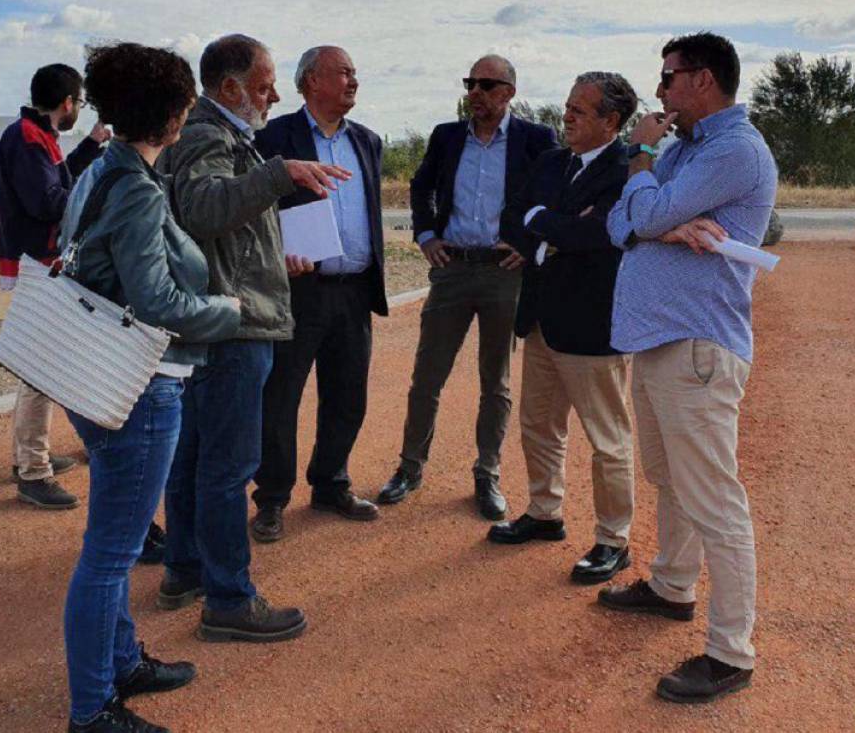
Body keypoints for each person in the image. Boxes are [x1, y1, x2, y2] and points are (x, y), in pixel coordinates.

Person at [56, 43, 242, 733]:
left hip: (97, 371)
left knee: (118, 538)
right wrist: (230, 311)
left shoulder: (105, 169)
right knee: (111, 552)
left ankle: (121, 661)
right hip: (140, 382)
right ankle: (92, 709)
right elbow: (157, 299)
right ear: (169, 114)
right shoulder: (134, 186)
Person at [600, 32, 777, 705]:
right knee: (668, 477)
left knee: (714, 498)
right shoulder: (686, 151)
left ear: (702, 80)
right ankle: (673, 585)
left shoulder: (733, 149)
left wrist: (642, 165)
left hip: (699, 344)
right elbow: (624, 220)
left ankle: (731, 650)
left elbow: (644, 206)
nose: (662, 89)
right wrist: (661, 222)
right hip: (661, 340)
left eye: (669, 77)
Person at [157, 33, 349, 641]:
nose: (270, 97)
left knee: (195, 457)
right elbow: (206, 208)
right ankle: (229, 598)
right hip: (233, 327)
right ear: (229, 87)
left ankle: (186, 570)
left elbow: (225, 228)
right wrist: (279, 172)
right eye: (263, 86)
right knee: (226, 465)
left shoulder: (222, 133)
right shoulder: (210, 134)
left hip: (223, 320)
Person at [377, 55, 557, 519]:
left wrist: (531, 241)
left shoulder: (536, 139)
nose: (474, 92)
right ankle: (410, 467)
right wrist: (425, 235)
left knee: (495, 381)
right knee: (427, 376)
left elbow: (555, 196)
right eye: (470, 83)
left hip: (504, 273)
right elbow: (421, 187)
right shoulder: (447, 135)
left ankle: (487, 473)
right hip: (452, 269)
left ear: (508, 92)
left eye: (486, 84)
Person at [491, 72, 638, 589]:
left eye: (580, 109)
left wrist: (545, 226)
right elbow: (512, 218)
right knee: (538, 424)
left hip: (594, 328)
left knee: (608, 438)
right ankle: (545, 512)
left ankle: (613, 541)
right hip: (541, 321)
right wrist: (548, 234)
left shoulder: (627, 171)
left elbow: (600, 233)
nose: (567, 115)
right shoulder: (552, 162)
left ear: (611, 121)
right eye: (568, 105)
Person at [249, 46, 387, 543]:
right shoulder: (274, 137)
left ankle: (331, 483)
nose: (354, 80)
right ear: (310, 81)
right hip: (296, 291)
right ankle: (272, 497)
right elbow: (253, 207)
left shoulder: (367, 141)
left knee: (348, 394)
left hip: (353, 291)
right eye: (344, 72)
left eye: (354, 72)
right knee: (280, 395)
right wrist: (278, 250)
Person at [0, 63, 106, 509]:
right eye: (79, 102)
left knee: (37, 371)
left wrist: (92, 149)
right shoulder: (26, 138)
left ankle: (28, 458)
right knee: (40, 372)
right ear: (67, 103)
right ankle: (33, 470)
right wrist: (96, 197)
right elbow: (48, 202)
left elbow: (57, 184)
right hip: (36, 264)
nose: (79, 108)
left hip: (39, 262)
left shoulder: (37, 136)